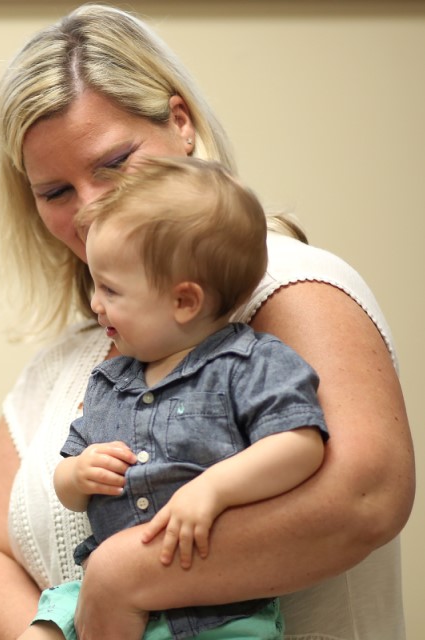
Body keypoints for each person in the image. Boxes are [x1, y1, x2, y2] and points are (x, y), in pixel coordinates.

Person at [0, 4, 413, 640]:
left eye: (112, 163)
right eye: (55, 192)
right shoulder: (64, 360)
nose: (87, 210)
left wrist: (122, 577)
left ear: (180, 122)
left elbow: (365, 497)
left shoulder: (287, 284)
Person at [18, 156, 327, 640]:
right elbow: (68, 488)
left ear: (185, 301)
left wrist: (214, 489)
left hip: (215, 603)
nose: (96, 303)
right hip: (99, 590)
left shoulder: (248, 363)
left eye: (111, 289)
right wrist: (77, 474)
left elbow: (300, 444)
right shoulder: (110, 382)